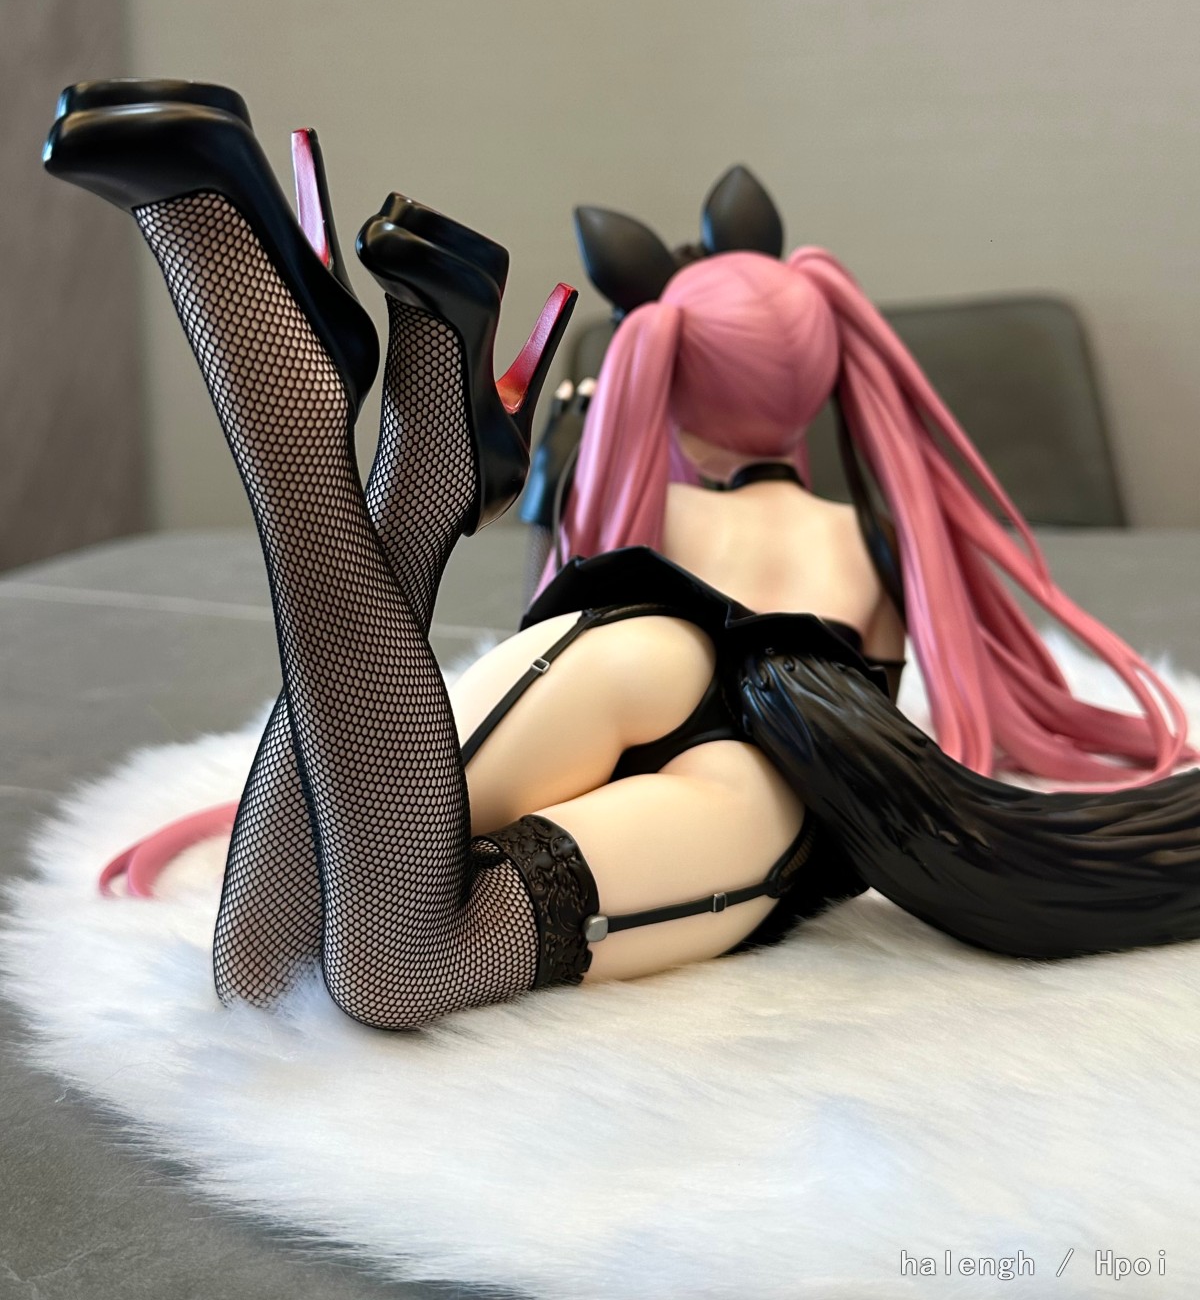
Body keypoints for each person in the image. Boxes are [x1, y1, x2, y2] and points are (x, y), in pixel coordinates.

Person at [44, 81, 1200, 1034]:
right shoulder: (871, 540)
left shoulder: (651, 517)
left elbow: (391, 754)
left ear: (670, 378)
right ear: (818, 376)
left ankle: (422, 447)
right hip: (771, 780)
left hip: (628, 647)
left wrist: (254, 800)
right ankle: (338, 423)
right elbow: (970, 707)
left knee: (261, 960)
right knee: (389, 969)